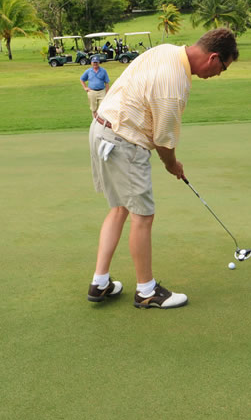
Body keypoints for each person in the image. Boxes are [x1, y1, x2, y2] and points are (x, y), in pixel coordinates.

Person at [87, 28, 239, 309]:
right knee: (143, 215)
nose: (219, 74)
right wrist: (173, 165)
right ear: (214, 58)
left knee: (119, 208)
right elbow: (163, 140)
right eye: (223, 68)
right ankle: (146, 291)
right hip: (124, 140)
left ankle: (100, 282)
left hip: (102, 130)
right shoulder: (175, 85)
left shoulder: (166, 50)